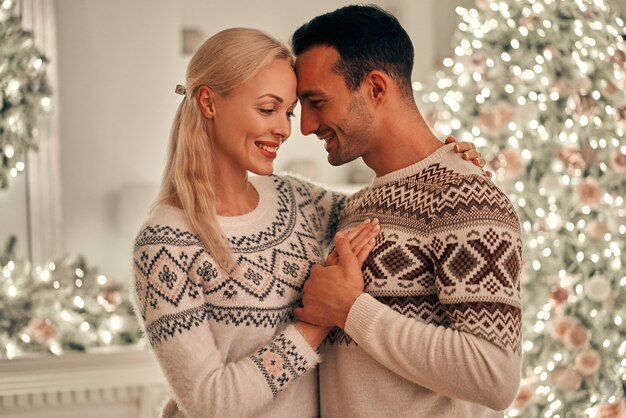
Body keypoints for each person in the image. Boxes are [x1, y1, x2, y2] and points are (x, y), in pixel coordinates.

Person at [132, 27, 486, 418]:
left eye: (288, 112)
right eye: (267, 109)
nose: (284, 130)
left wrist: (443, 163)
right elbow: (208, 402)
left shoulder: (298, 201)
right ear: (208, 102)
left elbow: (392, 215)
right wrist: (315, 325)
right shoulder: (165, 242)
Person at [292, 5, 523, 418]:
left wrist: (349, 310)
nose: (306, 125)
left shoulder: (465, 195)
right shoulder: (354, 206)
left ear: (376, 88)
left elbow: (494, 375)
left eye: (317, 102)